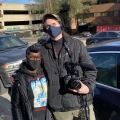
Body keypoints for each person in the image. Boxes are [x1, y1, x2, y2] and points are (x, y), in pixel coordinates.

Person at [40, 13, 97, 120]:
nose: (51, 27)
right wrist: (18, 75)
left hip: (82, 102)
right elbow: (34, 71)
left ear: (61, 25)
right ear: (44, 29)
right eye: (48, 26)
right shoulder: (42, 50)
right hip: (59, 107)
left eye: (54, 24)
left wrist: (88, 87)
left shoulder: (77, 44)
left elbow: (90, 70)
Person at [11, 43, 49, 120]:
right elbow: (15, 105)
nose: (35, 59)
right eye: (32, 57)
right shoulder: (19, 78)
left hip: (48, 116)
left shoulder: (46, 72)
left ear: (41, 58)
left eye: (37, 57)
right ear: (27, 58)